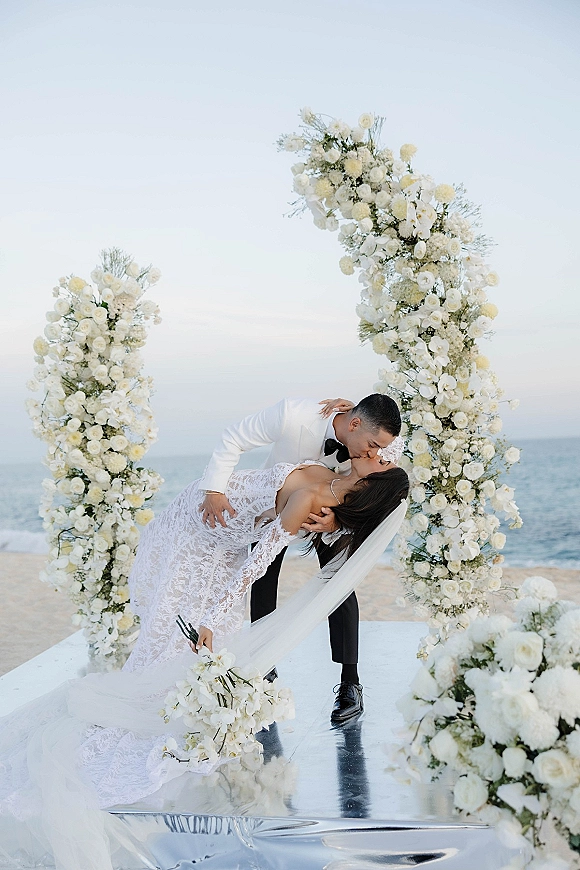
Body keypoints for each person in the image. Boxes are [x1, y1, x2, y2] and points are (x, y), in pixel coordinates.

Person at [0, 450, 409, 870]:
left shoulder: (321, 499)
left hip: (222, 551)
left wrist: (212, 617)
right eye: (378, 451)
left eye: (381, 461)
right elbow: (371, 452)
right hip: (207, 535)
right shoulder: (336, 471)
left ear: (372, 485)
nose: (377, 456)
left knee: (182, 644)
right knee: (167, 639)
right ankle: (153, 702)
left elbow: (258, 564)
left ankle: (152, 709)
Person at [198, 393, 403, 722]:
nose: (376, 452)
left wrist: (337, 521)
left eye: (380, 450)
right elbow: (234, 436)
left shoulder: (374, 444)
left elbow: (388, 489)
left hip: (333, 509)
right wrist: (213, 490)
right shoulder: (293, 415)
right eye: (373, 446)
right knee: (263, 579)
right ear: (352, 424)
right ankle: (264, 671)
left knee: (339, 582)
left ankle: (350, 682)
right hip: (275, 507)